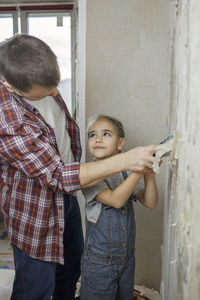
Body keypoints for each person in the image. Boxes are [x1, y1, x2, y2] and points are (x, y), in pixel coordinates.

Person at [0, 34, 156, 300]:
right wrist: (127, 160)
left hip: (67, 198)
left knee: (70, 270)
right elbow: (58, 175)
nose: (53, 93)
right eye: (46, 91)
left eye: (55, 85)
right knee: (35, 286)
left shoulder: (41, 79)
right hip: (35, 209)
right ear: (12, 87)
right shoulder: (7, 119)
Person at [80, 115, 158, 300]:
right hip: (99, 262)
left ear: (120, 143)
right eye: (92, 135)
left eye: (106, 134)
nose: (97, 139)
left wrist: (149, 173)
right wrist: (138, 171)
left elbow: (150, 202)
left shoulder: (126, 173)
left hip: (126, 258)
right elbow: (116, 200)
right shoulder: (88, 175)